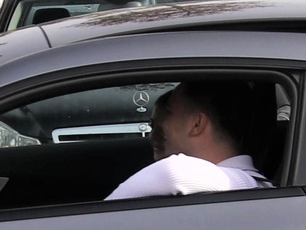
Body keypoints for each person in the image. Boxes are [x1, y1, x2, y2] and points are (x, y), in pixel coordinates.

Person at [106, 80, 269, 200]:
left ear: (197, 124)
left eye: (168, 112)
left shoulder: (242, 183)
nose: (161, 124)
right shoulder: (247, 185)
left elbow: (172, 172)